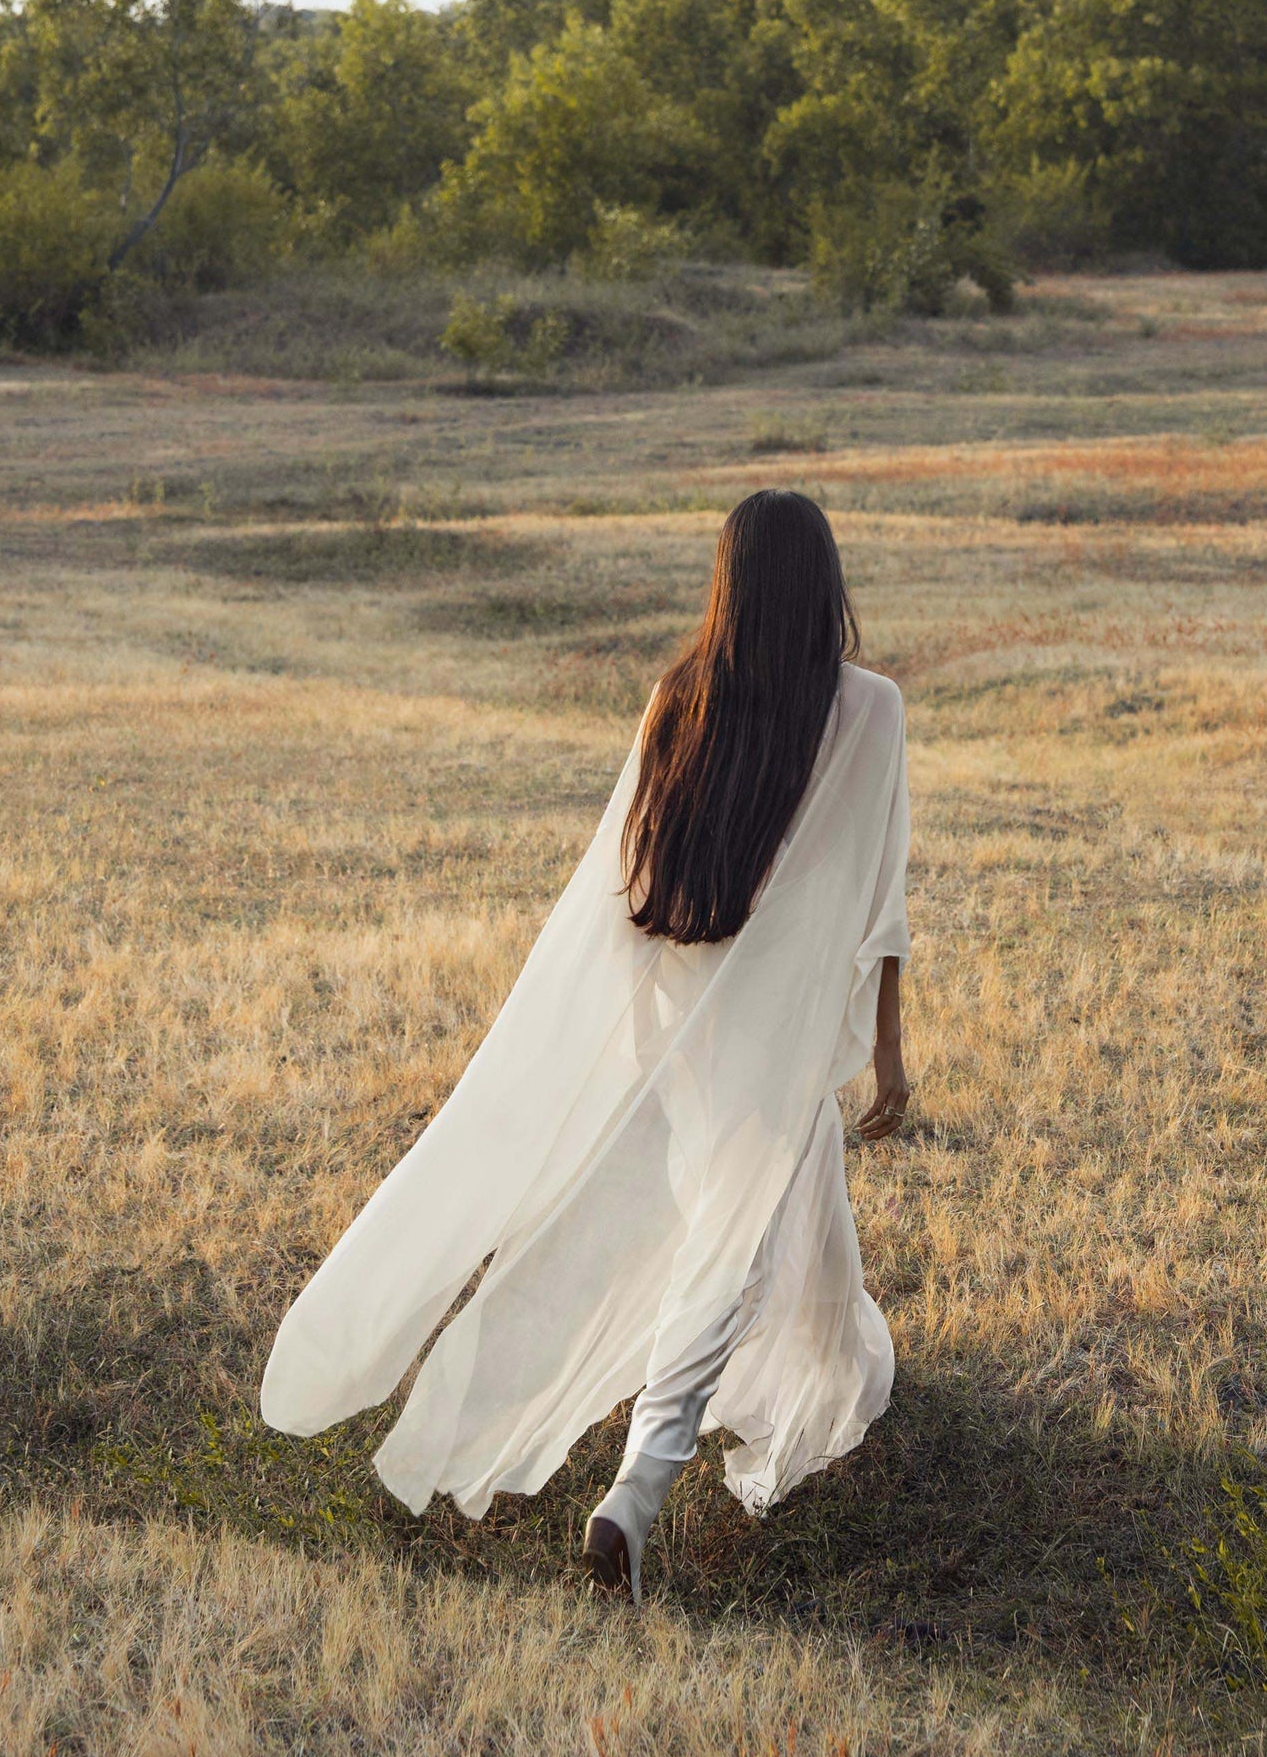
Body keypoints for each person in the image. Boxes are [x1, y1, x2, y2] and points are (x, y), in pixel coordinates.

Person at [261, 489, 911, 1603]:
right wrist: (890, 1056)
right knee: (724, 1255)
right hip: (777, 1040)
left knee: (776, 1221)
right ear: (825, 586)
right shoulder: (871, 709)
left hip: (695, 1043)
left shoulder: (680, 701)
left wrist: (647, 1046)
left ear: (729, 585)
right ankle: (638, 1490)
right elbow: (881, 908)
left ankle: (831, 1367)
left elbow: (634, 887)